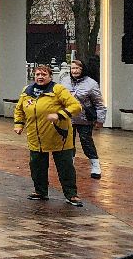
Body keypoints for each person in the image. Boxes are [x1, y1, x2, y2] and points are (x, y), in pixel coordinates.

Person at [14, 64, 83, 206]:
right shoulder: (27, 91)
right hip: (35, 137)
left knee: (65, 167)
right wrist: (19, 124)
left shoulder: (58, 90)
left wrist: (59, 115)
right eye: (37, 74)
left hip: (59, 136)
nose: (40, 77)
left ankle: (71, 195)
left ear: (50, 76)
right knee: (37, 166)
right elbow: (19, 109)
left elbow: (76, 106)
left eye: (44, 74)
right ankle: (40, 191)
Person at [61, 59, 106, 179]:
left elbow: (99, 103)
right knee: (68, 142)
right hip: (68, 118)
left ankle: (95, 165)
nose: (74, 71)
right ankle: (69, 165)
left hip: (84, 119)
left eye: (77, 68)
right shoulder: (64, 81)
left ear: (83, 69)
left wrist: (100, 120)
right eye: (72, 68)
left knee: (86, 141)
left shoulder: (91, 83)